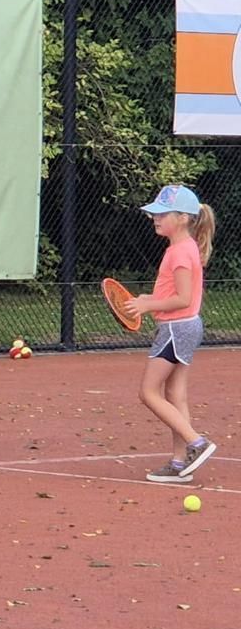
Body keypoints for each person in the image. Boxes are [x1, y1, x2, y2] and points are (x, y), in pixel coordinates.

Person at [129, 184, 219, 481]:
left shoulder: (179, 253)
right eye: (154, 213)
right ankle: (180, 464)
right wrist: (150, 303)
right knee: (175, 394)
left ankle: (197, 442)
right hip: (185, 326)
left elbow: (182, 298)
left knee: (147, 392)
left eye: (162, 213)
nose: (155, 218)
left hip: (176, 328)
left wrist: (146, 305)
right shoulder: (185, 248)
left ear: (182, 218)